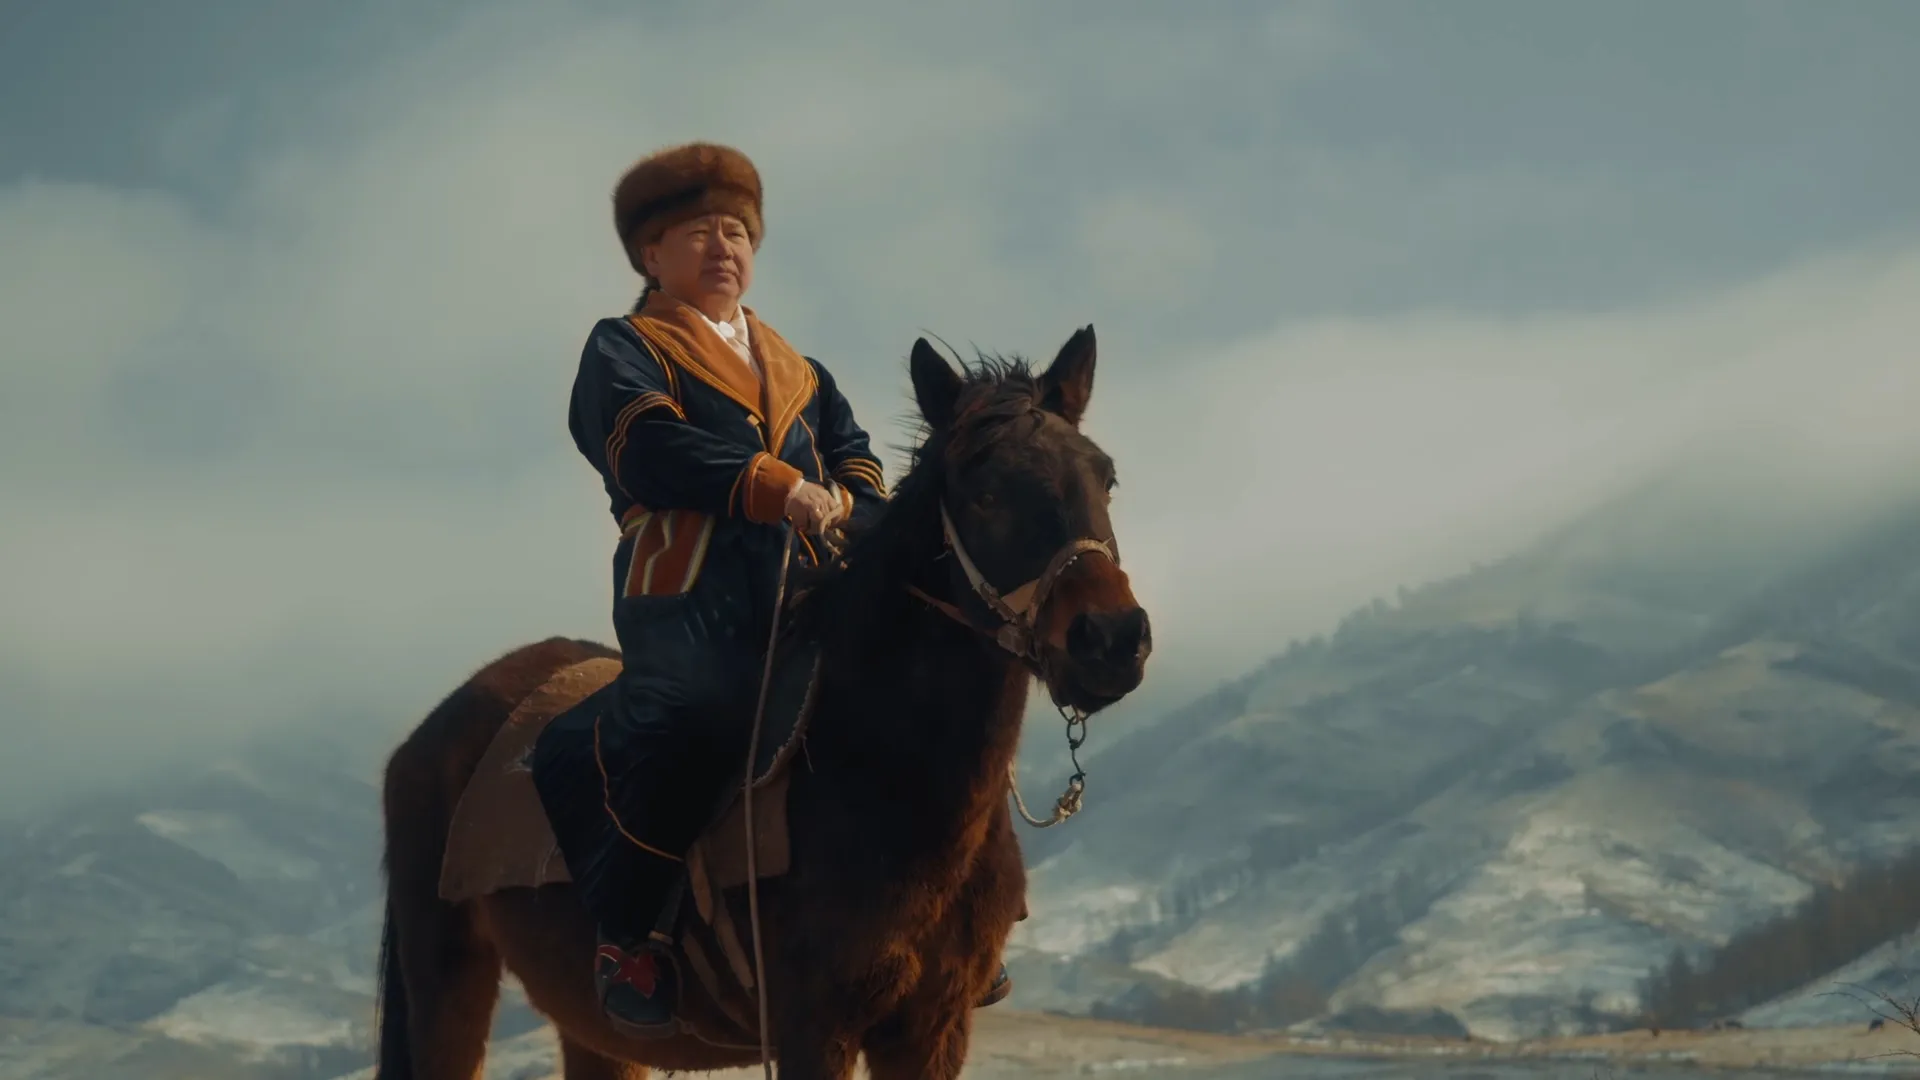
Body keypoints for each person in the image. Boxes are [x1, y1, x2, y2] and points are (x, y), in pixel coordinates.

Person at [530, 142, 1006, 1039]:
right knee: (693, 713)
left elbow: (858, 460)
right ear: (650, 255)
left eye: (738, 232)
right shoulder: (625, 346)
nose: (725, 247)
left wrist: (855, 507)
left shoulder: (803, 370)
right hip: (693, 591)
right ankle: (630, 934)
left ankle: (964, 917)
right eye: (699, 232)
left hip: (814, 588)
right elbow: (643, 445)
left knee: (943, 691)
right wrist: (773, 485)